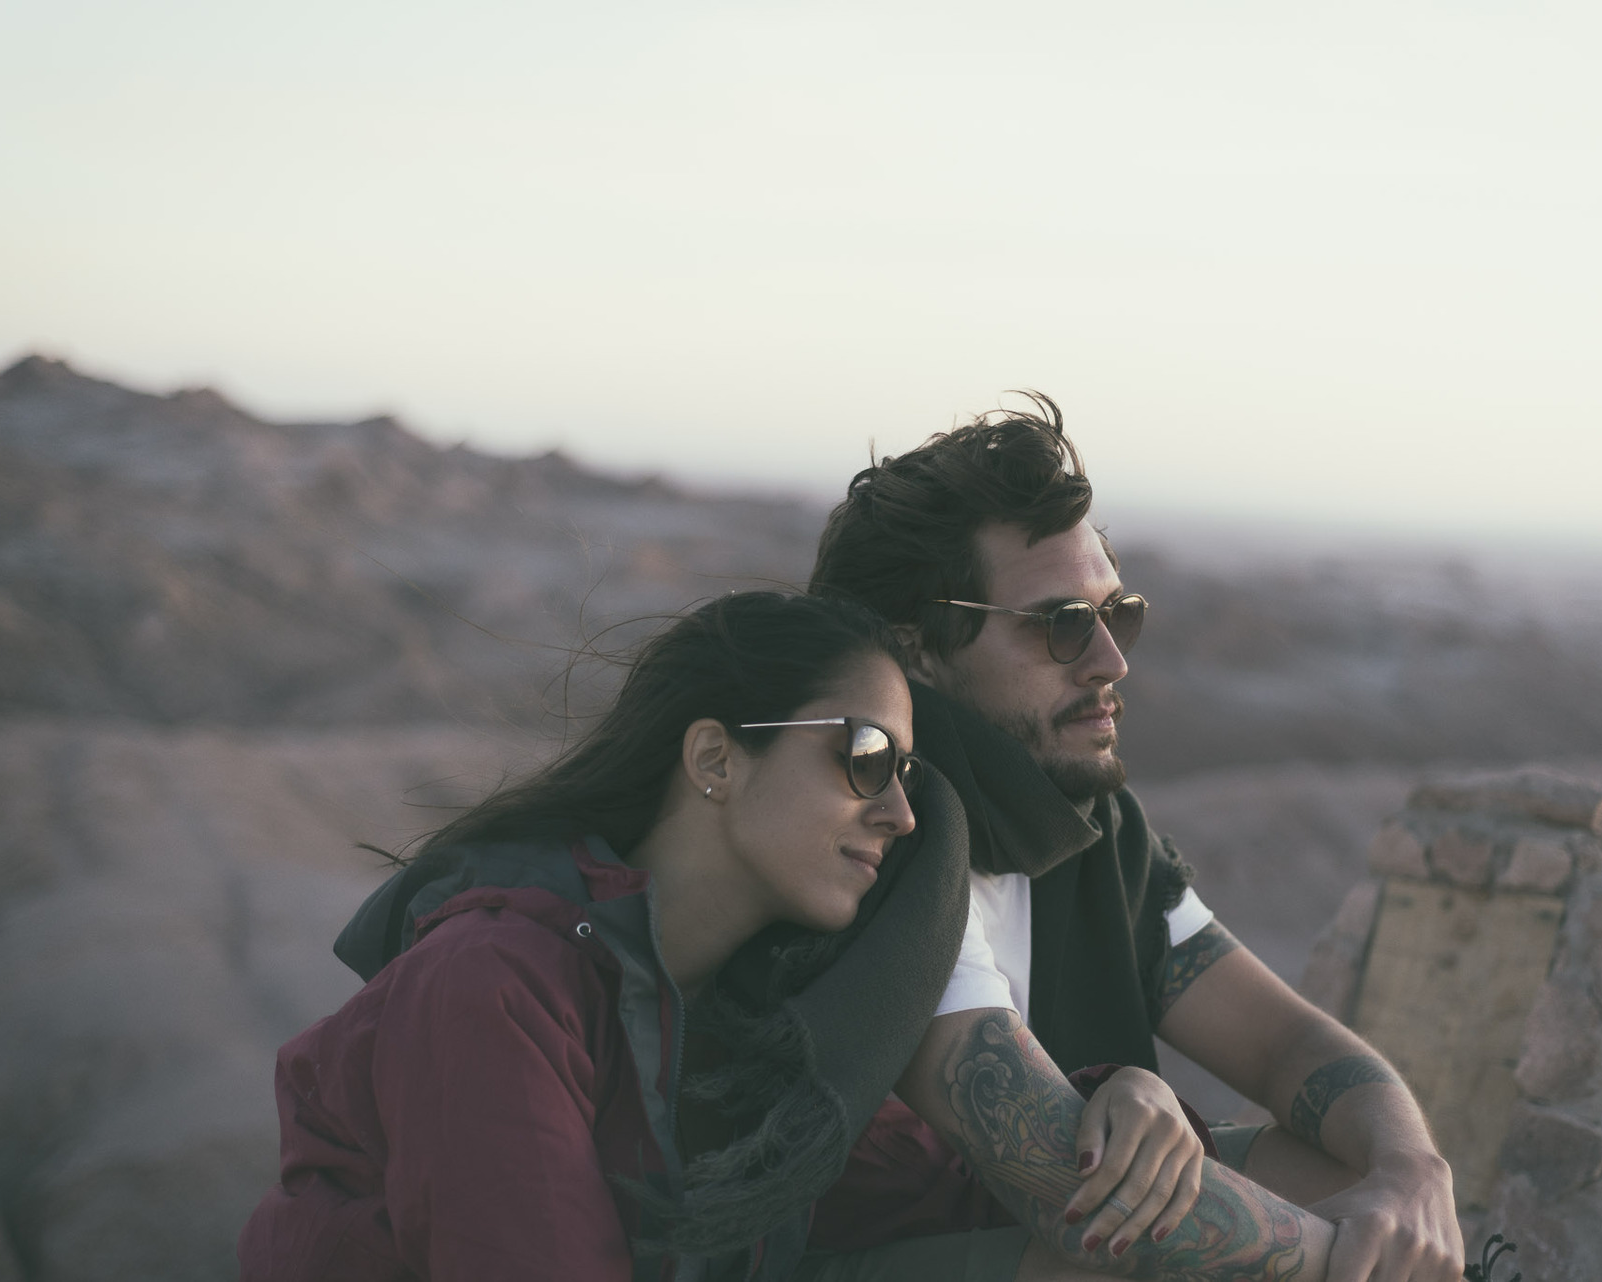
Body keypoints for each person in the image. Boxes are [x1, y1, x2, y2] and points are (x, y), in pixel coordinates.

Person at [802, 398, 1465, 1282]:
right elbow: (1054, 1181)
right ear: (920, 654)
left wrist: (1411, 1172)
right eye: (1062, 625)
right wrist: (1349, 1264)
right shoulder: (882, 826)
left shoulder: (1084, 829)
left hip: (1016, 1231)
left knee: (1353, 1175)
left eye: (1119, 615)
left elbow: (1281, 1045)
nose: (1111, 661)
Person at [238, 592, 967, 1281]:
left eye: (904, 771)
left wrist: (1086, 1116)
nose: (902, 814)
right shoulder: (493, 985)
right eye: (868, 759)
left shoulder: (746, 1018)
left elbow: (957, 1186)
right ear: (715, 759)